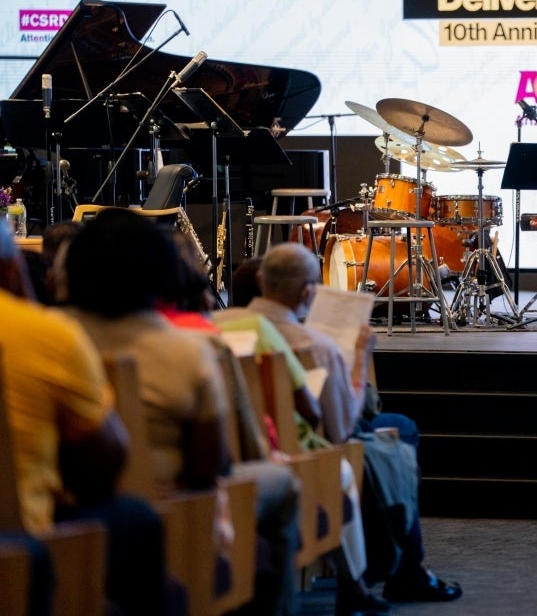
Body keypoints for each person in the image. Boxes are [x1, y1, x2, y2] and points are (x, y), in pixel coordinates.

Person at [61, 208, 301, 616]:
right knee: (282, 481)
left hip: (61, 506)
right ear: (161, 276)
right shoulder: (190, 351)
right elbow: (211, 467)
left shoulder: (49, 337)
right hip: (171, 505)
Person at [217, 243, 460, 605]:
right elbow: (341, 429)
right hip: (301, 453)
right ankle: (405, 568)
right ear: (307, 292)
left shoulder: (213, 328)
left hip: (233, 450)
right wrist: (360, 359)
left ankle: (396, 561)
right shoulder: (315, 344)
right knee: (400, 431)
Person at [0, 217, 172, 615]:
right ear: (13, 270)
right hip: (21, 536)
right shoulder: (46, 335)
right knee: (137, 518)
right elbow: (107, 462)